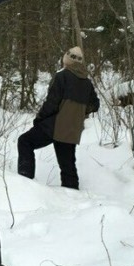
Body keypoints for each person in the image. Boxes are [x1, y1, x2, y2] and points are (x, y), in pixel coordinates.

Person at [17, 46, 100, 190]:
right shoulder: (87, 83)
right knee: (68, 168)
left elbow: (51, 104)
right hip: (71, 130)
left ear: (67, 59)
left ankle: (25, 184)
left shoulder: (62, 77)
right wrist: (77, 113)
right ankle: (72, 197)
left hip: (54, 126)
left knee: (25, 142)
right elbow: (95, 105)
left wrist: (39, 119)